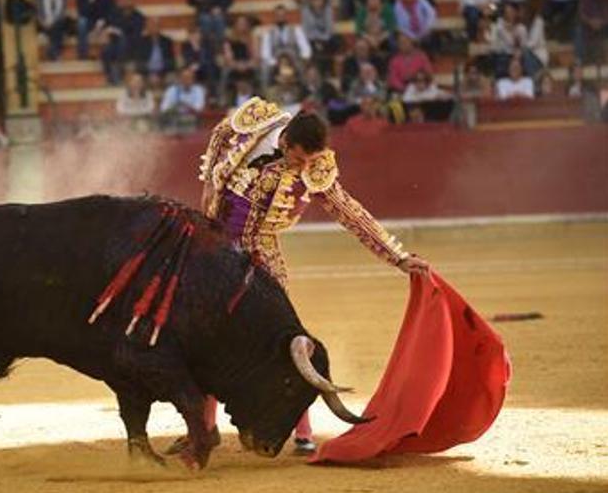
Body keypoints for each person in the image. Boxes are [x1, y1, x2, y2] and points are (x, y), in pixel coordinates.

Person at [166, 97, 428, 457]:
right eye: (299, 158)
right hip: (216, 245)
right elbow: (221, 131)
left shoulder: (316, 167)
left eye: (309, 161)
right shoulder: (257, 122)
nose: (304, 166)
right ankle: (203, 429)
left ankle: (303, 432)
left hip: (261, 251)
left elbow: (349, 211)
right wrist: (210, 180)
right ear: (285, 141)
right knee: (205, 336)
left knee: (284, 341)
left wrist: (397, 256)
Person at [260, 5, 312, 88]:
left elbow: (306, 49)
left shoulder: (296, 30)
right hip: (276, 61)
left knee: (304, 66)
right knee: (264, 67)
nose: (281, 18)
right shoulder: (269, 33)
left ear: (287, 16)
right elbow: (265, 54)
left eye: (283, 15)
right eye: (278, 15)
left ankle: (304, 89)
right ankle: (266, 91)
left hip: (294, 59)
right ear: (274, 17)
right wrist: (274, 63)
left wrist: (303, 58)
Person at [101, 0, 145, 84]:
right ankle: (109, 74)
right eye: (123, 0)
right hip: (114, 43)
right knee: (106, 50)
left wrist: (121, 32)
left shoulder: (139, 17)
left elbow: (136, 35)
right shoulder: (114, 13)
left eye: (127, 0)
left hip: (132, 45)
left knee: (123, 41)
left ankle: (116, 71)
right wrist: (107, 33)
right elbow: (108, 26)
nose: (124, 2)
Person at [220, 15, 258, 105]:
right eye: (240, 24)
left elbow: (256, 57)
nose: (242, 26)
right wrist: (237, 65)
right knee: (224, 73)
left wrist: (247, 64)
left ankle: (260, 97)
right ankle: (223, 99)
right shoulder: (229, 40)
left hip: (248, 64)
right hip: (234, 65)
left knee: (258, 71)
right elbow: (228, 58)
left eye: (244, 24)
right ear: (235, 26)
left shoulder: (252, 38)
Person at [159, 67, 206, 133]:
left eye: (189, 78)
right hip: (174, 122)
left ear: (193, 79)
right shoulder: (172, 90)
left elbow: (199, 109)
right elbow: (163, 108)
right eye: (184, 78)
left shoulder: (198, 90)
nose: (186, 80)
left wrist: (185, 105)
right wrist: (174, 107)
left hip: (191, 122)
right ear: (180, 79)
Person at [298, 0, 338, 72]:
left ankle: (328, 70)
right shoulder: (305, 10)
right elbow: (305, 31)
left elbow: (329, 30)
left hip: (325, 39)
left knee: (334, 41)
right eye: (314, 0)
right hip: (311, 39)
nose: (317, 2)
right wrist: (315, 40)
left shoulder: (328, 9)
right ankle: (312, 71)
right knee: (307, 46)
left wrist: (321, 40)